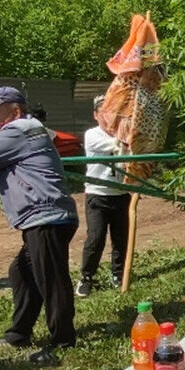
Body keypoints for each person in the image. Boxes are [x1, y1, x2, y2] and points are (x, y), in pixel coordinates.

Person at [0, 86, 78, 367]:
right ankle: (19, 334)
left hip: (46, 215)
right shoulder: (20, 134)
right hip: (43, 215)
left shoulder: (20, 129)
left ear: (15, 110)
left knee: (51, 280)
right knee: (22, 273)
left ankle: (63, 340)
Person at [77, 94, 131, 296]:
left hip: (120, 193)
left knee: (120, 238)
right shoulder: (92, 135)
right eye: (104, 113)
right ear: (95, 115)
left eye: (113, 112)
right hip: (97, 194)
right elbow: (117, 146)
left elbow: (131, 155)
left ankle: (118, 274)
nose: (109, 117)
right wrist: (126, 136)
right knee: (96, 237)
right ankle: (86, 277)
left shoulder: (123, 133)